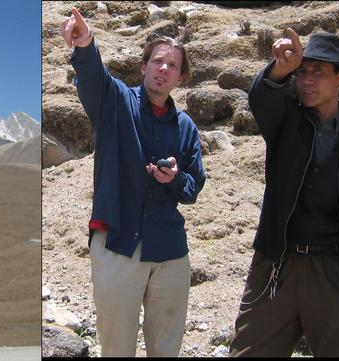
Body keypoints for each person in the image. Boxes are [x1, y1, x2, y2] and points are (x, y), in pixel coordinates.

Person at [229, 29, 339, 357]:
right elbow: (261, 97)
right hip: (277, 265)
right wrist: (280, 66)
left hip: (336, 272)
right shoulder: (285, 124)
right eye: (302, 71)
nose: (306, 80)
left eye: (318, 72)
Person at [61, 7, 206, 357]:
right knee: (117, 348)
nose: (163, 69)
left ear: (180, 78)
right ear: (143, 67)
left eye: (172, 66)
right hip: (117, 244)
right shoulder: (115, 102)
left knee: (166, 348)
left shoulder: (185, 127)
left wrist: (173, 179)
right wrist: (86, 45)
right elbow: (94, 77)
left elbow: (192, 187)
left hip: (170, 251)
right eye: (157, 61)